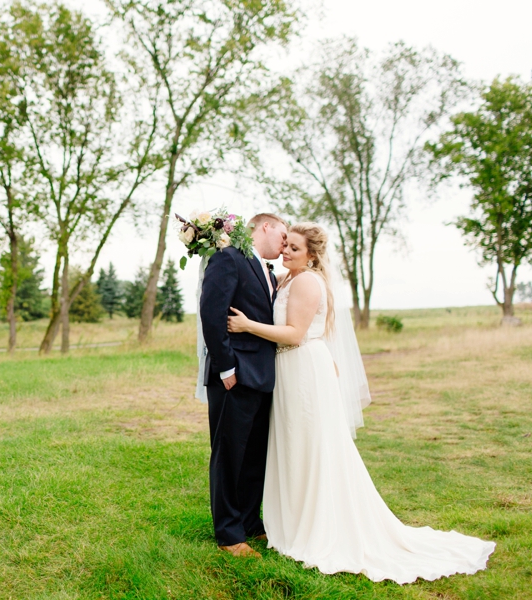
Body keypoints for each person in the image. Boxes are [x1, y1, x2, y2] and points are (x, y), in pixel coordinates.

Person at [227, 222, 495, 583]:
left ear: (312, 255)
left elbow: (294, 333)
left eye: (294, 248)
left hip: (302, 368)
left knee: (312, 448)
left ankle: (318, 527)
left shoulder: (306, 281)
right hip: (292, 369)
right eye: (286, 245)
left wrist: (247, 326)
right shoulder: (289, 279)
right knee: (297, 447)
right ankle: (295, 520)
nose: (286, 251)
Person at [199, 213, 288, 558]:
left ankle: (251, 523)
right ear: (265, 226)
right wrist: (225, 369)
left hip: (263, 377)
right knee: (229, 457)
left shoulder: (266, 270)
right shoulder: (228, 257)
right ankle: (229, 535)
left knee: (254, 457)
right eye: (283, 233)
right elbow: (212, 313)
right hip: (234, 377)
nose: (285, 242)